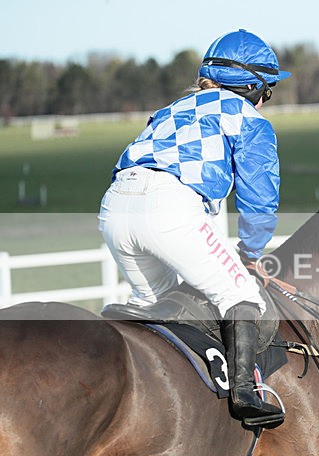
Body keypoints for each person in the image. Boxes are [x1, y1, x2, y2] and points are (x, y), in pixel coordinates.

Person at [98, 29, 290, 427]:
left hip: (115, 206)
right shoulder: (248, 119)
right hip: (168, 208)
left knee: (158, 306)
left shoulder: (172, 108)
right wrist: (251, 253)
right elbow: (259, 198)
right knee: (240, 293)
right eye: (268, 91)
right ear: (254, 87)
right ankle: (245, 394)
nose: (265, 100)